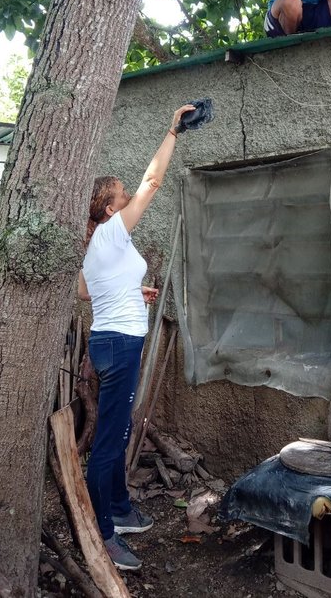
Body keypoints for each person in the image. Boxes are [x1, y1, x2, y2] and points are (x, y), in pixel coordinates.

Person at [78, 103, 195, 571]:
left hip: (109, 338)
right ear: (109, 208)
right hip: (119, 345)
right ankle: (102, 532)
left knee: (118, 428)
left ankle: (121, 508)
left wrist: (132, 289)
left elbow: (88, 292)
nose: (130, 198)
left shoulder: (100, 243)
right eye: (121, 195)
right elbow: (153, 180)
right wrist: (172, 131)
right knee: (110, 440)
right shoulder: (110, 230)